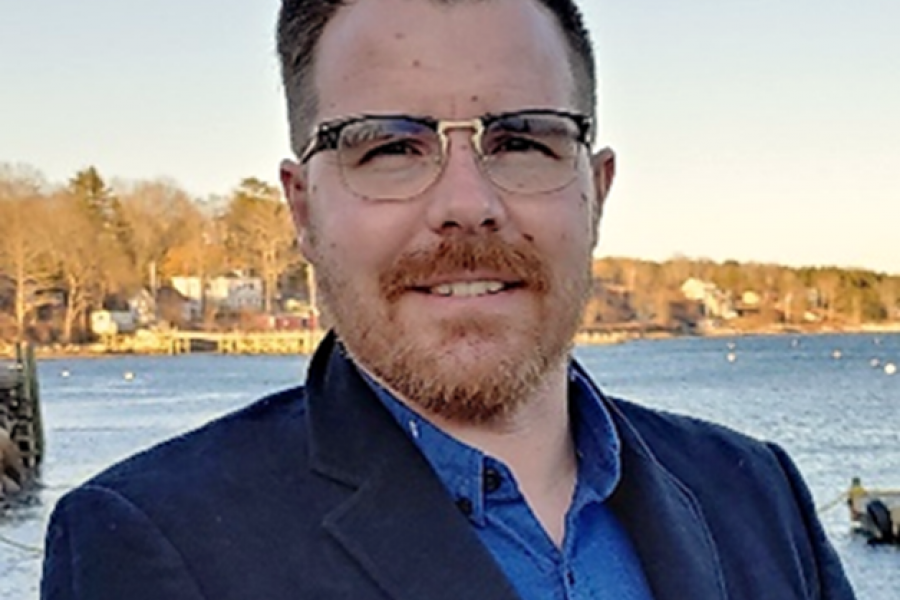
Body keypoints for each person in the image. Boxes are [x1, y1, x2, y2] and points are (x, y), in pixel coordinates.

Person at [41, 0, 857, 598]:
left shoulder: (756, 492)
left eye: (522, 139)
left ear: (596, 192)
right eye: (391, 148)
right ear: (302, 209)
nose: (466, 201)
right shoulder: (149, 544)